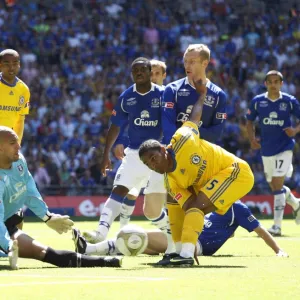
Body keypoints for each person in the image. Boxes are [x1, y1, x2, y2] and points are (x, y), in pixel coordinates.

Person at [138, 78, 254, 267]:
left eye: (153, 158)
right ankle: (174, 251)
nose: (152, 165)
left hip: (236, 172)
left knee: (196, 207)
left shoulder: (183, 139)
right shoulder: (171, 181)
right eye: (147, 164)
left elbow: (194, 118)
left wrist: (202, 95)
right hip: (214, 182)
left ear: (163, 149)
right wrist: (190, 224)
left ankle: (185, 254)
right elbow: (186, 208)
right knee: (174, 203)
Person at [83, 58, 174, 253]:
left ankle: (175, 234)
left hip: (159, 156)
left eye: (143, 69)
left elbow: (169, 122)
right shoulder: (126, 97)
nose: (139, 73)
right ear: (132, 74)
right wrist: (106, 153)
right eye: (136, 71)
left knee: (152, 210)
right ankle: (100, 232)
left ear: (150, 72)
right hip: (134, 154)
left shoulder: (163, 94)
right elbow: (115, 126)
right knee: (119, 189)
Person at [0, 126, 122, 269]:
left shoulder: (19, 162)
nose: (19, 146)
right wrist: (8, 245)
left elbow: (29, 190)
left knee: (42, 251)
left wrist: (47, 217)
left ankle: (104, 261)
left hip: (6, 223)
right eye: (12, 143)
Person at [72, 201, 288, 258]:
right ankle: (89, 251)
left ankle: (89, 249)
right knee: (134, 246)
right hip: (186, 237)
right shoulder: (212, 199)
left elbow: (260, 230)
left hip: (195, 245)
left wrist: (278, 250)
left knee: (134, 236)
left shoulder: (237, 207)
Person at [246, 70, 300, 236]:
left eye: (277, 81)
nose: (274, 84)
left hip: (285, 147)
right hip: (267, 149)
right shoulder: (257, 101)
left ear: (281, 84)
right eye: (270, 81)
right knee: (274, 185)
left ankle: (276, 227)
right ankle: (297, 204)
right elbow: (249, 121)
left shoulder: (289, 101)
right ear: (266, 84)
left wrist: (295, 130)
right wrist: (252, 139)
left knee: (277, 183)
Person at [117, 59, 167, 228]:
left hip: (162, 154)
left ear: (164, 75)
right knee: (131, 192)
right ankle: (122, 230)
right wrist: (120, 142)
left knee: (167, 195)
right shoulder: (135, 96)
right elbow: (125, 122)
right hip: (139, 154)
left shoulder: (167, 95)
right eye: (151, 73)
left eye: (157, 73)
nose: (153, 77)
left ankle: (172, 231)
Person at [0, 49, 30, 231]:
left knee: (14, 193)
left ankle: (16, 240)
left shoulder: (23, 90)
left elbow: (20, 120)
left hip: (7, 150)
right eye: (6, 64)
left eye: (15, 63)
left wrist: (16, 145)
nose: (11, 67)